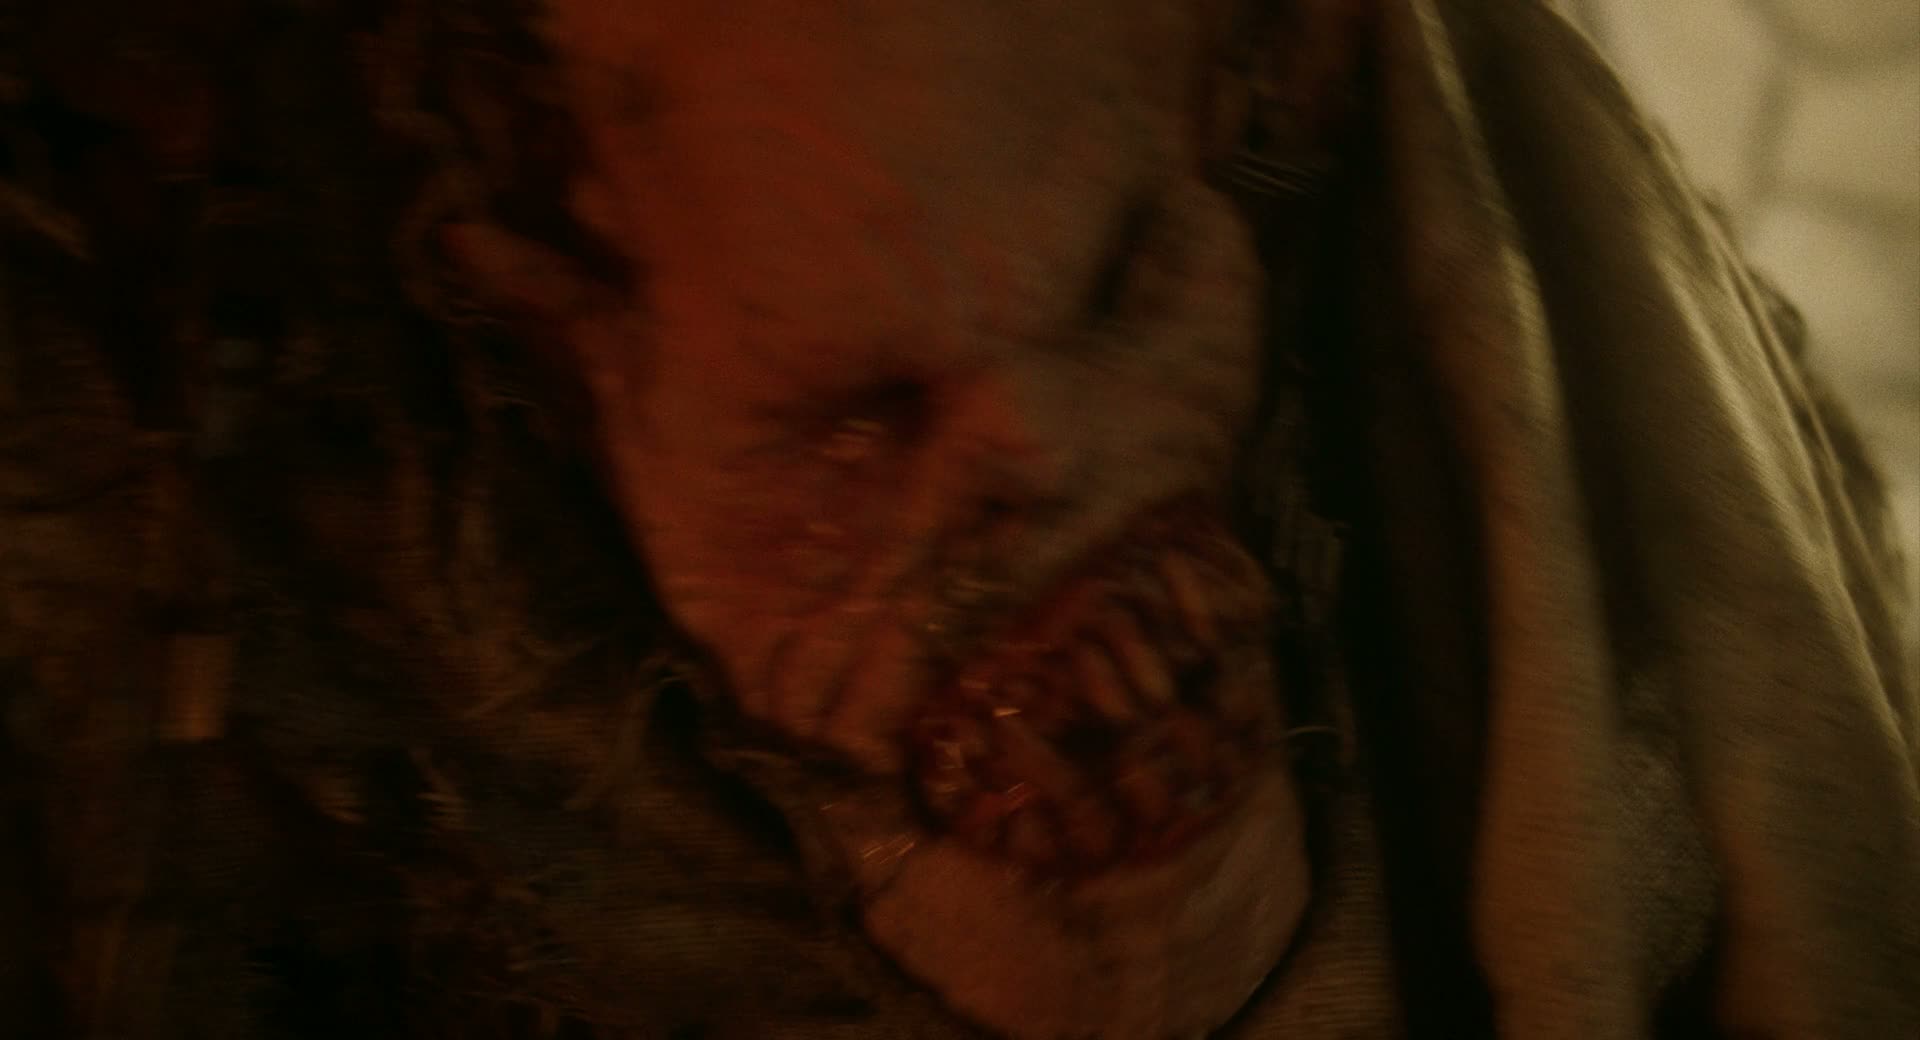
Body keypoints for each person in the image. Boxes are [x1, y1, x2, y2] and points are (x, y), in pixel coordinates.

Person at [1, 1, 1913, 1037]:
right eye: (857, 416)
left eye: (1132, 285)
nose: (1036, 447)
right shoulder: (170, 546)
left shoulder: (1501, 300)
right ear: (532, 317)